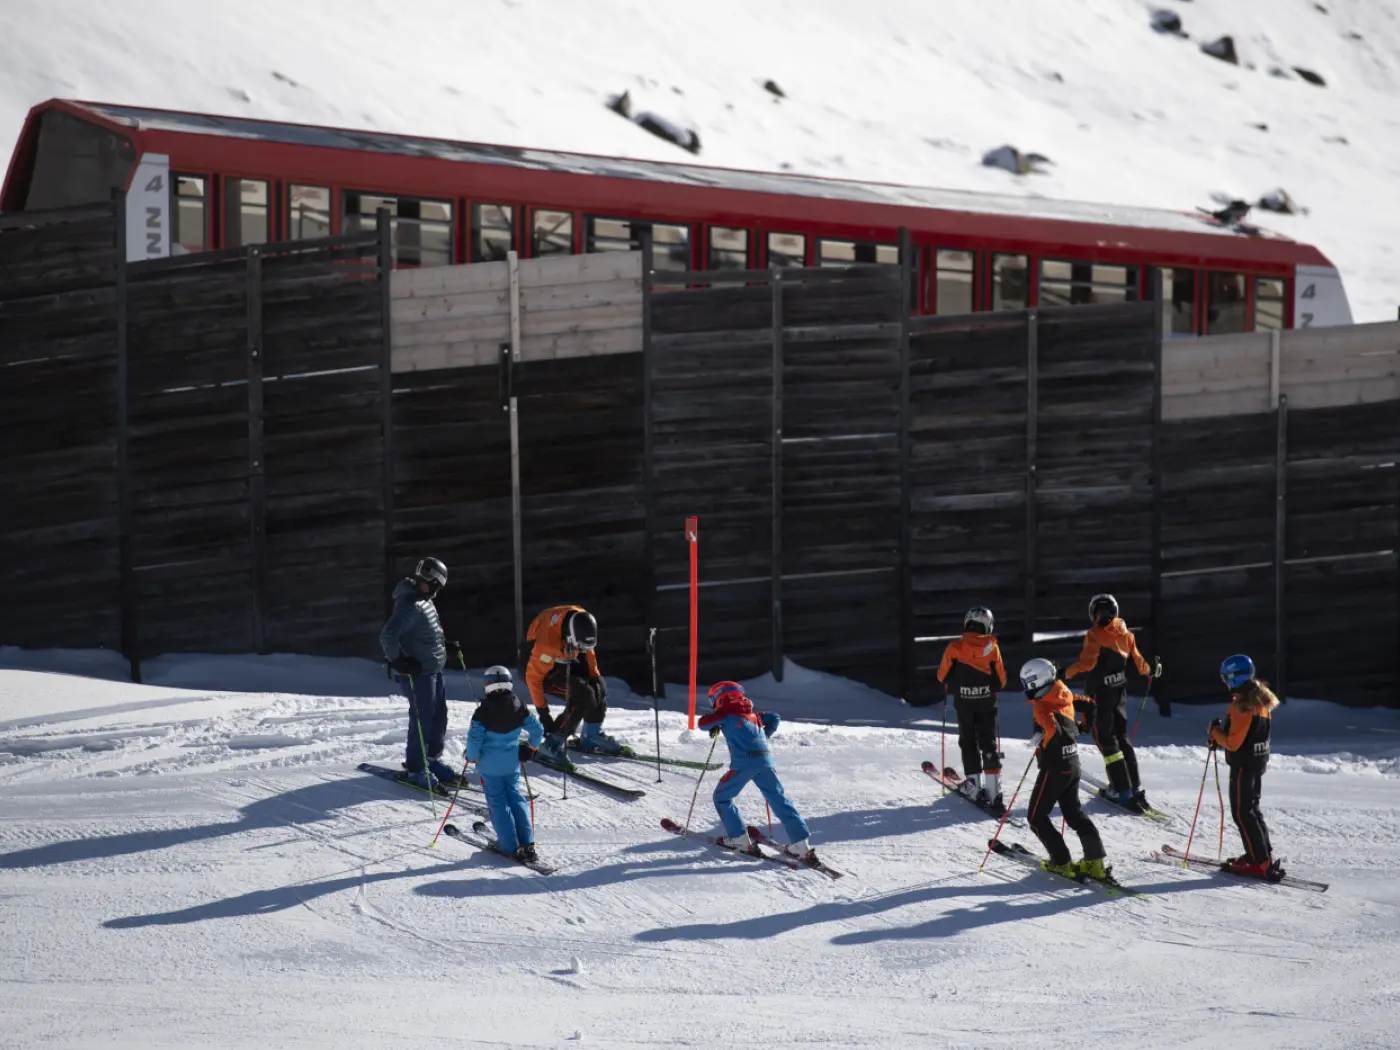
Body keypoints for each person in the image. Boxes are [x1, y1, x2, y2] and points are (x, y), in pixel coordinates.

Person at [1063, 593, 1162, 812]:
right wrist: (1152, 670)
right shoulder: (1126, 634)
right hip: (1120, 695)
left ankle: (1121, 790)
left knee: (1106, 740)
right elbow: (1140, 663)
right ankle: (1135, 787)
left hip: (1101, 695)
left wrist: (1064, 672)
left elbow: (1087, 664)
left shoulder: (1095, 635)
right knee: (1122, 738)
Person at [698, 680, 817, 862]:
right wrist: (763, 736)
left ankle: (739, 839)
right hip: (765, 761)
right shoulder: (752, 714)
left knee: (722, 798)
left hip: (744, 764)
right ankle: (801, 845)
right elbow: (774, 717)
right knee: (779, 800)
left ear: (718, 698)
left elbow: (702, 723)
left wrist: (716, 721)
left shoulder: (726, 712)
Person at [1020, 658, 1111, 881]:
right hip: (1072, 765)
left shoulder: (1042, 706)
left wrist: (1044, 739)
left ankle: (1061, 862)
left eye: (1027, 683)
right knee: (1074, 815)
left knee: (1035, 817)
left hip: (1055, 769)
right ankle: (1095, 863)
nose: (1026, 688)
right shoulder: (1063, 693)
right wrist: (1084, 727)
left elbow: (1054, 729)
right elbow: (1089, 705)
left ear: (1035, 682)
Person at [380, 557, 460, 789]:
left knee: (438, 716)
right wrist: (399, 661)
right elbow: (388, 635)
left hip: (433, 669)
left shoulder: (423, 600)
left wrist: (444, 644)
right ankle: (416, 768)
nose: (435, 590)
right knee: (422, 719)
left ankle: (431, 759)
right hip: (418, 674)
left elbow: (425, 631)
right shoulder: (409, 604)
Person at [1210, 654, 1283, 879]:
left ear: (1233, 678)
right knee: (1251, 809)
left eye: (1226, 678)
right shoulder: (1261, 700)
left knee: (1242, 812)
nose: (1224, 683)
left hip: (1243, 765)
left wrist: (1214, 733)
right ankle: (1260, 855)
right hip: (1257, 762)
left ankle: (1259, 862)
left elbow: (1233, 742)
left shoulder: (1242, 705)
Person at [518, 604, 620, 763]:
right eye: (581, 647)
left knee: (598, 688)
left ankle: (591, 736)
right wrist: (544, 714)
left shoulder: (581, 622)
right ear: (569, 637)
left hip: (565, 655)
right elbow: (533, 679)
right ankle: (552, 744)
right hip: (538, 668)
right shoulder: (547, 644)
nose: (584, 650)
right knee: (584, 696)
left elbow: (589, 654)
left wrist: (595, 678)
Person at [465, 665, 544, 863]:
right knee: (516, 798)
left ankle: (508, 845)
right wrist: (531, 748)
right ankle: (528, 843)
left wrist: (472, 756)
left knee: (498, 802)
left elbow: (474, 741)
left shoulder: (482, 712)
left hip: (489, 766)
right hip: (512, 764)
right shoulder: (518, 706)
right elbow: (537, 730)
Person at [937, 605, 1008, 813]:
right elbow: (1001, 681)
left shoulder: (955, 648)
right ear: (988, 625)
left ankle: (974, 786)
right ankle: (994, 791)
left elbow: (942, 676)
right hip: (987, 704)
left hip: (964, 704)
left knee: (968, 741)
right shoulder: (992, 648)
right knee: (988, 743)